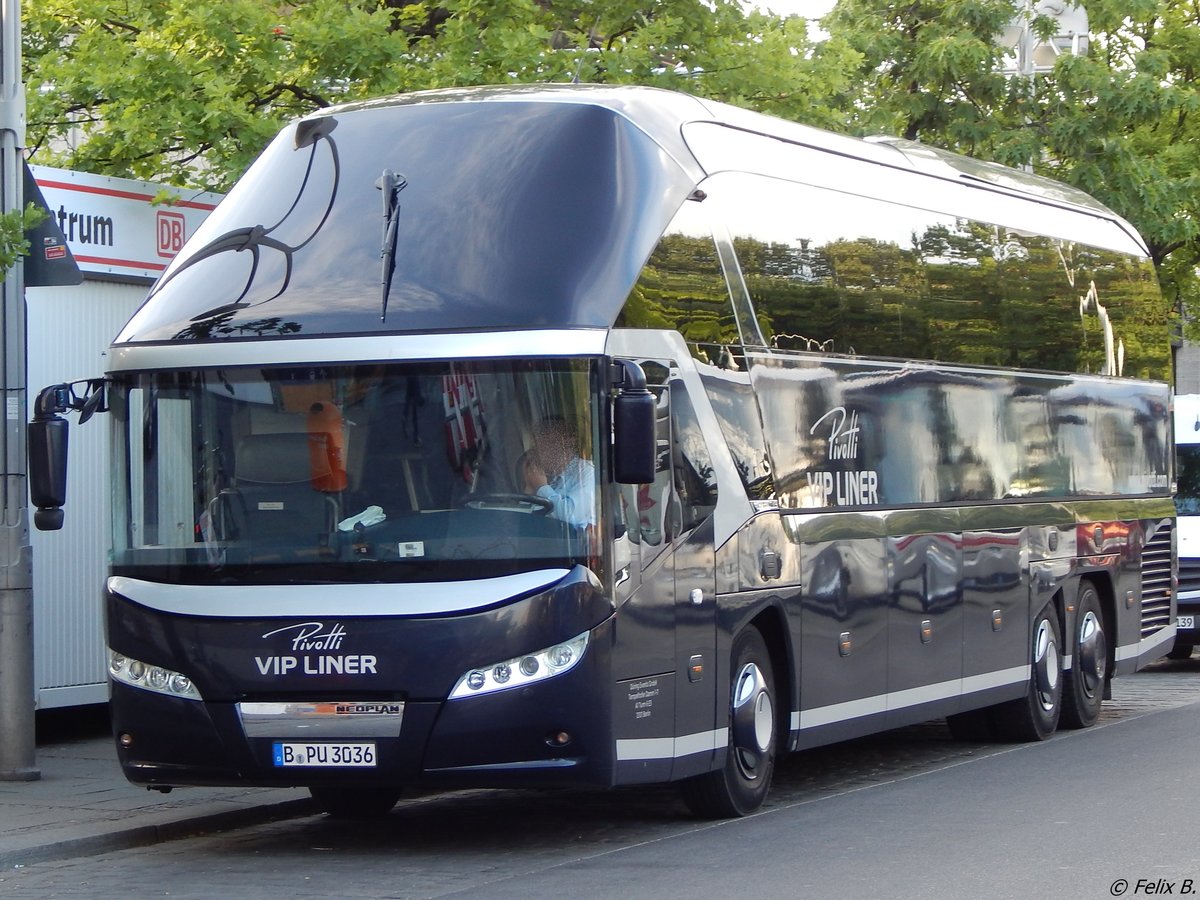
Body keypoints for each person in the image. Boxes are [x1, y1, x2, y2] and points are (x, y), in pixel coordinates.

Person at [521, 417, 596, 529]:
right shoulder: (546, 473)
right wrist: (529, 488)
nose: (538, 450)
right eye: (537, 444)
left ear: (566, 443)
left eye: (547, 443)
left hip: (570, 542)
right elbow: (524, 518)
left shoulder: (586, 472)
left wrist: (541, 487)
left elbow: (572, 517)